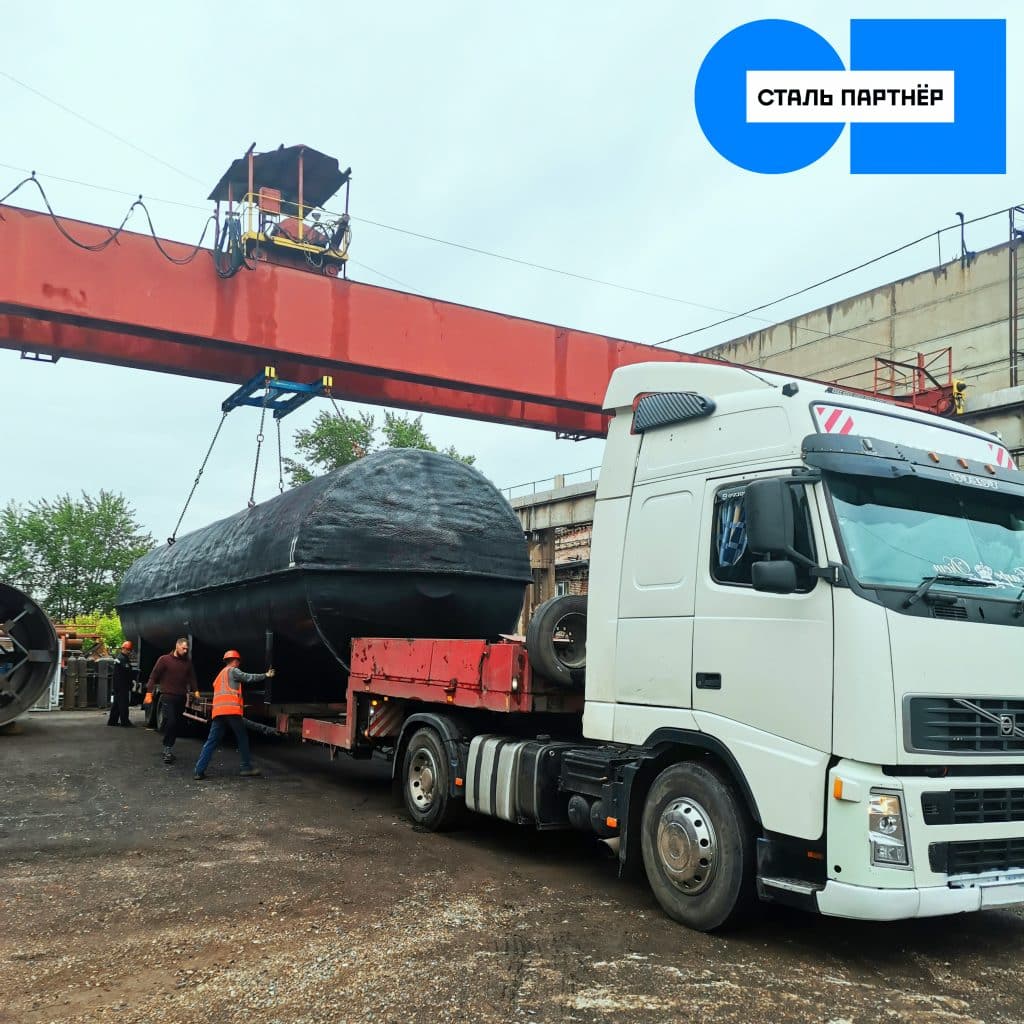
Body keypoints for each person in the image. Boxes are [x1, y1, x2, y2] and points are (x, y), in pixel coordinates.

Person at [194, 650, 274, 780]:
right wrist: (266, 674)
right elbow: (248, 677)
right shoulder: (234, 671)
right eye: (238, 661)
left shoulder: (220, 675)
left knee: (211, 742)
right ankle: (246, 767)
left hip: (219, 713)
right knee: (242, 738)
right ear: (236, 661)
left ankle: (199, 770)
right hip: (231, 711)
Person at [147, 637, 198, 765]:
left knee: (176, 724)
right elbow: (154, 676)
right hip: (168, 697)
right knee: (171, 721)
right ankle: (167, 749)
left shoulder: (187, 663)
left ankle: (169, 745)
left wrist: (196, 691)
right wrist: (148, 693)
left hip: (181, 698)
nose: (186, 651)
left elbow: (192, 678)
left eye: (187, 649)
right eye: (183, 648)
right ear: (177, 646)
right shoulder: (164, 660)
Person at [106, 640, 135, 727]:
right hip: (122, 685)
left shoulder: (120, 658)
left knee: (117, 704)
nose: (129, 652)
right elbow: (127, 671)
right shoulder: (122, 659)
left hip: (118, 685)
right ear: (124, 649)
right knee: (123, 704)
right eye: (128, 650)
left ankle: (112, 721)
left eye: (129, 650)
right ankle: (125, 722)